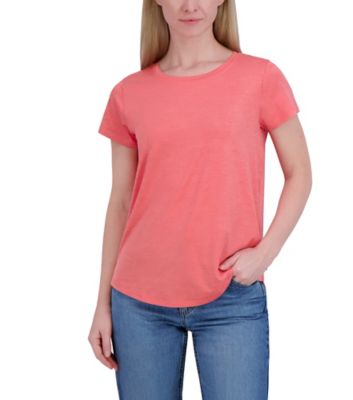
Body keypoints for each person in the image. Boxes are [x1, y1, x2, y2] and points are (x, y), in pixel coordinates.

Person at [88, 0, 312, 398]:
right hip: (137, 303)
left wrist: (264, 254)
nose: (190, 6)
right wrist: (102, 303)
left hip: (231, 297)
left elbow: (300, 174)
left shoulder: (260, 78)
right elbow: (120, 201)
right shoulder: (128, 93)